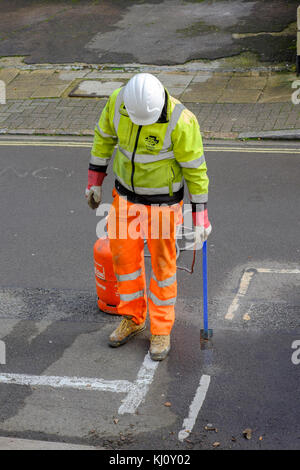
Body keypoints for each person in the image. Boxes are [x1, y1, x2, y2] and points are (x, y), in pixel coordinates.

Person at [86, 73, 211, 361]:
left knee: (163, 269)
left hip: (163, 206)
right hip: (125, 199)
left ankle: (161, 328)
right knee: (124, 262)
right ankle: (133, 317)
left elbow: (195, 169)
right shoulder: (119, 103)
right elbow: (103, 137)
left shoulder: (181, 120)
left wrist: (200, 214)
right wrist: (94, 180)